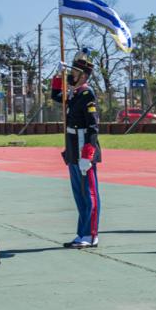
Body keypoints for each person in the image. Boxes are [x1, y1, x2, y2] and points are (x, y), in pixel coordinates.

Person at [51, 49, 102, 249]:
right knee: (78, 194)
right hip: (73, 148)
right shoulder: (74, 94)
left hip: (83, 148)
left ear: (83, 75)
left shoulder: (87, 95)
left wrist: (87, 155)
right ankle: (82, 233)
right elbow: (56, 96)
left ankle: (91, 235)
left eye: (73, 72)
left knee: (88, 193)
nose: (70, 75)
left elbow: (93, 127)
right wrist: (57, 75)